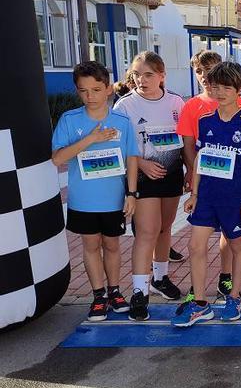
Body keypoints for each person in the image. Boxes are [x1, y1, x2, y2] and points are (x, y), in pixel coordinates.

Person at [172, 62, 241, 326]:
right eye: (215, 87)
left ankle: (234, 296)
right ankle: (200, 303)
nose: (220, 92)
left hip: (235, 200)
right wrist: (194, 193)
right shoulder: (205, 120)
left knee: (237, 246)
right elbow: (201, 158)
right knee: (194, 245)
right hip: (207, 197)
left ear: (239, 90)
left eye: (227, 87)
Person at [51, 61, 139, 321]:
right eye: (83, 91)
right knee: (90, 246)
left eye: (96, 90)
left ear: (109, 89)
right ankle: (98, 295)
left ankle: (115, 291)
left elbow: (132, 158)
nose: (90, 97)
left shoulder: (122, 121)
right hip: (83, 200)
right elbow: (57, 158)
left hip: (113, 199)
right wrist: (91, 139)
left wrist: (131, 194)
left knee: (112, 245)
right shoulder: (70, 120)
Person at [113, 51, 185, 321]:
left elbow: (185, 141)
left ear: (162, 76)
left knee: (165, 228)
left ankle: (160, 278)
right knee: (146, 232)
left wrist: (190, 171)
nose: (142, 80)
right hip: (142, 177)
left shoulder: (177, 102)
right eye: (137, 74)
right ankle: (139, 293)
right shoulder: (125, 106)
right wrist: (142, 164)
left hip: (172, 174)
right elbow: (118, 146)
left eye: (148, 74)